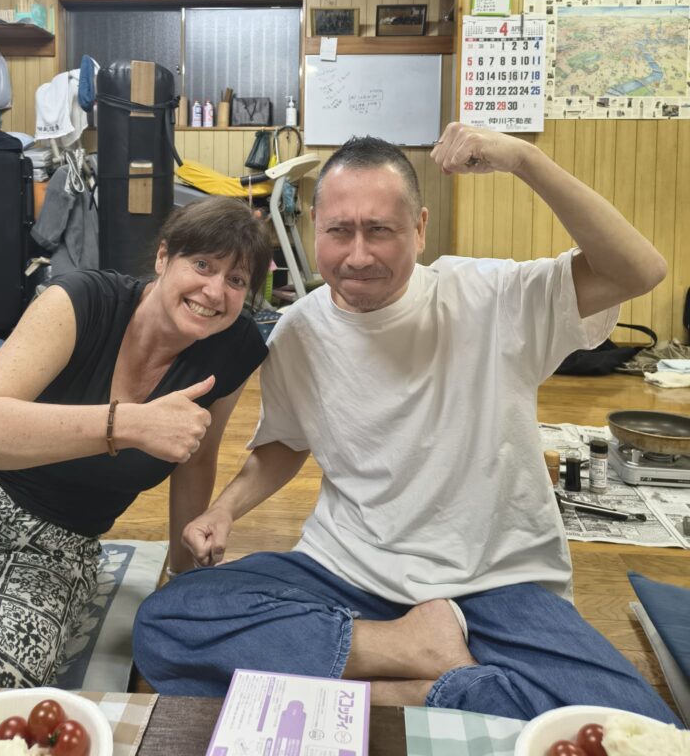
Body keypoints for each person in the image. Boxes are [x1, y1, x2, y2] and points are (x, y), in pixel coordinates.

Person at [132, 124, 682, 725]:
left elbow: (638, 270)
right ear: (314, 226)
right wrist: (224, 510)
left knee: (637, 729)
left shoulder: (492, 297)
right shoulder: (298, 331)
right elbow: (286, 444)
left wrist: (525, 159)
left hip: (495, 583)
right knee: (167, 624)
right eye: (339, 231)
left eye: (380, 231)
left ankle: (401, 690)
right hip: (342, 572)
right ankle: (424, 670)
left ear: (419, 228)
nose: (358, 255)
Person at [0, 196, 271, 687]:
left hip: (47, 546)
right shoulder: (81, 300)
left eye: (236, 280)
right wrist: (127, 424)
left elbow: (196, 459)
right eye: (202, 265)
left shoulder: (235, 348)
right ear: (163, 257)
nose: (214, 291)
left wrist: (182, 576)